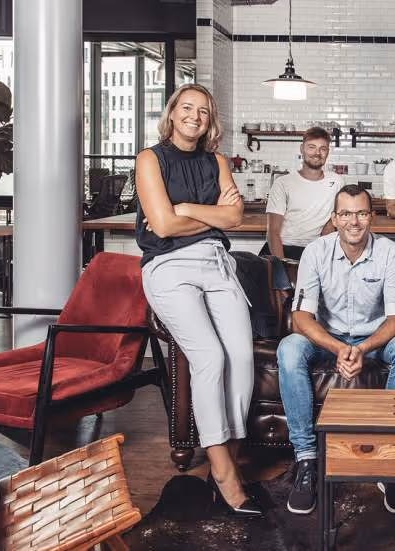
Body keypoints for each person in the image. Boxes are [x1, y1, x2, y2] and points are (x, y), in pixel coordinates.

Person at [135, 83, 262, 517]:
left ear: (211, 121)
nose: (194, 116)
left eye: (203, 111)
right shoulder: (149, 159)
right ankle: (224, 471)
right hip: (168, 268)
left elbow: (235, 217)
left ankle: (230, 446)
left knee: (242, 356)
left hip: (216, 261)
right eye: (186, 108)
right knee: (209, 357)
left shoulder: (217, 161)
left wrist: (184, 207)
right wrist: (205, 217)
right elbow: (163, 229)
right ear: (172, 114)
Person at [276, 184, 395, 516]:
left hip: (375, 342)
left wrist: (363, 347)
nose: (353, 222)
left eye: (360, 213)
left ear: (371, 217)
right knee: (289, 348)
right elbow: (301, 317)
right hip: (328, 341)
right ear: (335, 218)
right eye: (345, 214)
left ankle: (391, 458)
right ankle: (306, 459)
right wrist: (339, 347)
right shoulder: (315, 252)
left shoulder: (390, 253)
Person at [261, 127, 344, 260]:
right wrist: (282, 267)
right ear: (301, 149)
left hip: (316, 250)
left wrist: (329, 222)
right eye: (311, 147)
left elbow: (342, 213)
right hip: (284, 248)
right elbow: (273, 232)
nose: (317, 153)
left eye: (323, 149)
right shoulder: (283, 183)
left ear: (328, 152)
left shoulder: (336, 181)